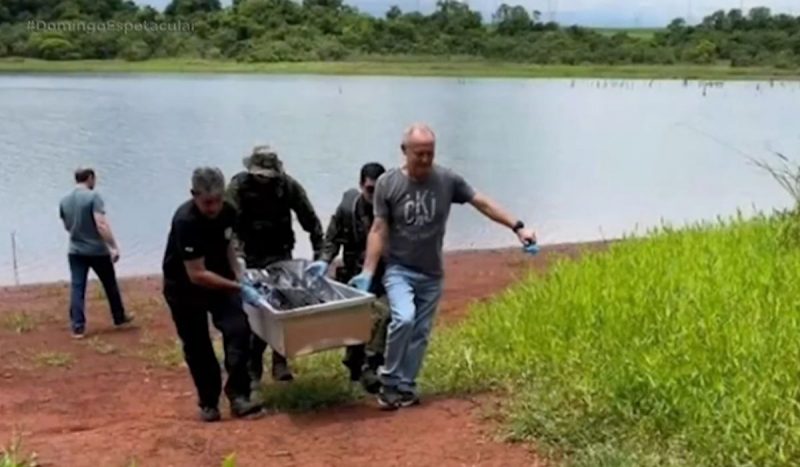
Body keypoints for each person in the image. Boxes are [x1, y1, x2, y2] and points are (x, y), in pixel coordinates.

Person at [348, 123, 538, 410]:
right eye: (418, 154)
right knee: (404, 319)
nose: (425, 160)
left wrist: (517, 227)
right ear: (404, 151)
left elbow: (481, 202)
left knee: (421, 332)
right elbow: (378, 229)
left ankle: (406, 387)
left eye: (430, 154)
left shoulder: (446, 180)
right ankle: (388, 382)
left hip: (431, 273)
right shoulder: (388, 184)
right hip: (399, 269)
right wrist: (367, 272)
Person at [161, 166, 264, 422]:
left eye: (218, 200)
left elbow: (228, 243)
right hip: (184, 288)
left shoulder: (228, 211)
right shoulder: (185, 220)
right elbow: (196, 273)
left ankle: (238, 394)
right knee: (198, 346)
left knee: (239, 330)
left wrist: (240, 274)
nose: (213, 208)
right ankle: (209, 401)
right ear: (194, 195)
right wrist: (239, 288)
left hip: (220, 280)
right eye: (207, 202)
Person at [225, 145, 325, 384]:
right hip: (249, 254)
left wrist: (320, 256)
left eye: (268, 176)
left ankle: (280, 360)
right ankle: (254, 363)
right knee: (255, 308)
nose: (264, 180)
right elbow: (227, 226)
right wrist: (237, 258)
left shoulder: (288, 187)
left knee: (283, 303)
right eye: (259, 176)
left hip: (280, 252)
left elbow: (310, 220)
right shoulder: (238, 188)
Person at [305, 162, 390, 393]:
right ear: (361, 185)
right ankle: (355, 365)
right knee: (355, 320)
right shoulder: (347, 209)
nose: (375, 196)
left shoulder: (394, 209)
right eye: (371, 190)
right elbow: (331, 239)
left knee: (382, 314)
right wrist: (324, 260)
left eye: (379, 190)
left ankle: (371, 366)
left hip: (385, 275)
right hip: (354, 275)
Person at [58, 167, 133, 339]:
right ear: (90, 178)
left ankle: (78, 326)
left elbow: (67, 226)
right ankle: (119, 317)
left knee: (78, 287)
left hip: (75, 250)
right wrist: (113, 246)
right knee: (109, 284)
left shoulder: (64, 200)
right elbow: (101, 224)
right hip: (97, 250)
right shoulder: (93, 197)